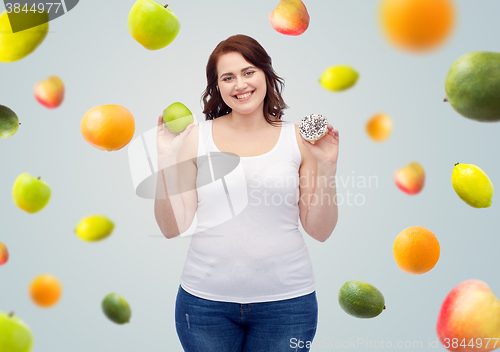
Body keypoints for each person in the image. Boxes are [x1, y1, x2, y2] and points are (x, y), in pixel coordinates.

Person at [154, 34, 339, 352]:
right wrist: (165, 161)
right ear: (217, 87)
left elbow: (320, 231)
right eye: (228, 77)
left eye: (248, 71)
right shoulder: (194, 138)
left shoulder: (299, 139)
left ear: (266, 74)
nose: (240, 84)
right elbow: (172, 228)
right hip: (203, 306)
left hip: (288, 306)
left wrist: (326, 169)